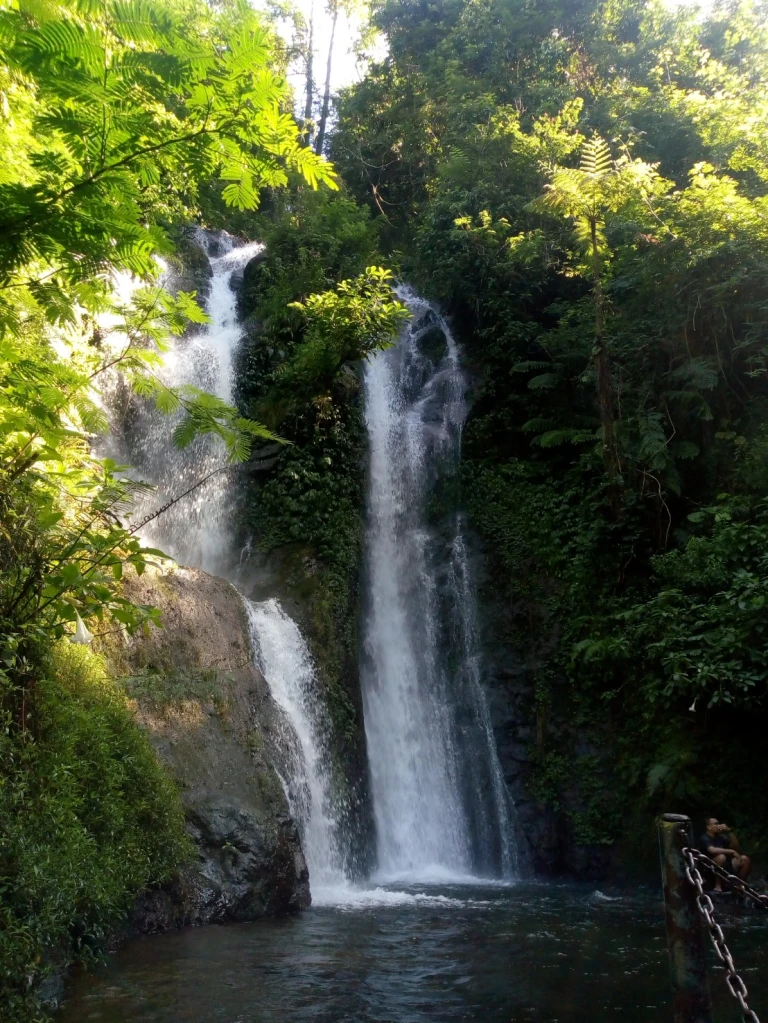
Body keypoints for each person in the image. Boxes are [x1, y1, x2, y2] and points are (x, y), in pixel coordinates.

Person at [700, 817, 751, 892]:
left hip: (727, 867)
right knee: (721, 857)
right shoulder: (704, 838)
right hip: (711, 870)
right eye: (716, 824)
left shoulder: (721, 837)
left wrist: (729, 831)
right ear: (709, 827)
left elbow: (736, 847)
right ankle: (718, 886)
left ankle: (739, 885)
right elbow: (712, 850)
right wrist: (731, 851)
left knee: (745, 859)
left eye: (719, 823)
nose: (718, 825)